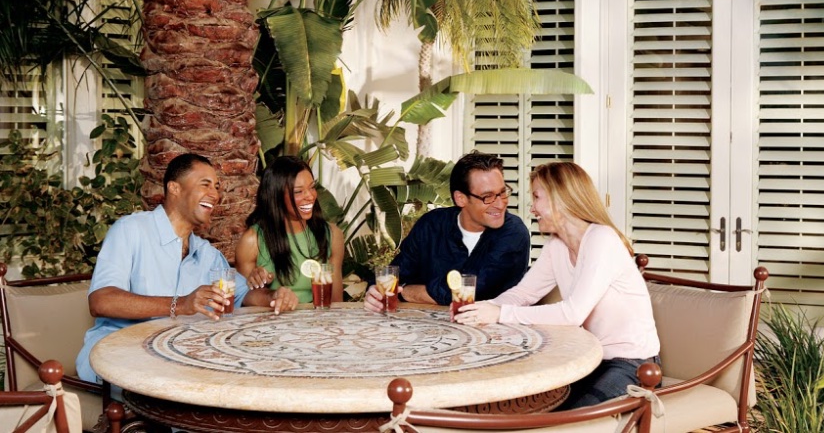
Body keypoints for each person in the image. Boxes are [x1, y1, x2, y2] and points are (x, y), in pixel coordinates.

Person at [454, 161, 660, 408]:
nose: (532, 209)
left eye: (537, 197)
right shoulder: (557, 244)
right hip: (587, 359)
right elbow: (524, 293)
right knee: (519, 405)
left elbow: (573, 314)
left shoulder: (602, 239)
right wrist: (479, 308)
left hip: (632, 363)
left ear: (561, 199)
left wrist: (499, 313)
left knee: (565, 420)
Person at [76, 153, 296, 384]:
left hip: (176, 360)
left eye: (217, 186)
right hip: (118, 357)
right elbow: (101, 301)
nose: (215, 194)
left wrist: (274, 296)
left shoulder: (208, 255)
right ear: (174, 188)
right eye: (206, 184)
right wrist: (182, 304)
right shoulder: (131, 230)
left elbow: (242, 295)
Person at [363, 151, 531, 312]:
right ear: (461, 198)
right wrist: (375, 290)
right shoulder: (432, 224)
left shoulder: (514, 233)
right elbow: (395, 273)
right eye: (487, 197)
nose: (500, 204)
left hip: (495, 334)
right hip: (427, 331)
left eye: (502, 193)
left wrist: (404, 291)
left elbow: (466, 291)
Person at [235, 156, 344, 305]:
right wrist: (259, 283)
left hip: (318, 323)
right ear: (277, 196)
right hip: (272, 324)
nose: (310, 196)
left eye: (312, 187)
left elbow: (336, 303)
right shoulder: (252, 241)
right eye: (298, 192)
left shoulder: (331, 235)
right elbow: (243, 302)